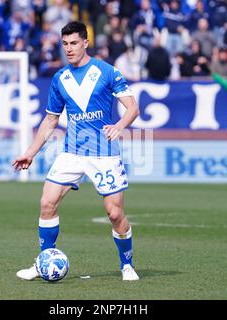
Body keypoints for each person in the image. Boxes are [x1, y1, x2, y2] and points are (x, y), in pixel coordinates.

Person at [13, 22, 141, 281]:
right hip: (72, 152)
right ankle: (43, 262)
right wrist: (30, 152)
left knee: (114, 214)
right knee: (47, 203)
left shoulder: (107, 72)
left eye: (73, 43)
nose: (69, 49)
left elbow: (133, 108)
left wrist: (118, 126)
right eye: (65, 44)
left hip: (104, 153)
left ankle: (126, 264)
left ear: (85, 42)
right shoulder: (60, 78)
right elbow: (50, 120)